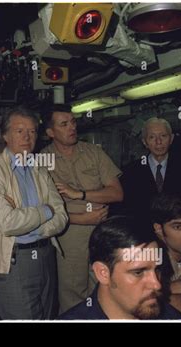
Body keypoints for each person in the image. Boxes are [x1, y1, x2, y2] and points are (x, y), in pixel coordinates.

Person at [0, 106, 68, 319]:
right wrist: (46, 210)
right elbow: (8, 223)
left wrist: (30, 223)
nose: (27, 137)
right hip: (13, 262)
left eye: (32, 131)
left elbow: (62, 217)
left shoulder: (40, 170)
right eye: (19, 131)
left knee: (48, 316)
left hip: (46, 256)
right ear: (6, 135)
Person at [41, 104, 123, 314]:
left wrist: (81, 194)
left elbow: (116, 193)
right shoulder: (41, 161)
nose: (72, 128)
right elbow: (42, 210)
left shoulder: (93, 152)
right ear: (50, 132)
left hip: (102, 232)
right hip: (69, 234)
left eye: (73, 122)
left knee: (105, 287)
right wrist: (82, 218)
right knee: (72, 295)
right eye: (64, 124)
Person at [59, 216, 181, 320]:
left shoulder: (170, 317)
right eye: (138, 272)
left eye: (157, 269)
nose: (157, 284)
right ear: (103, 273)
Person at [120, 117, 181, 234]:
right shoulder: (131, 172)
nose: (158, 142)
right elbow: (126, 210)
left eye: (163, 136)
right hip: (142, 236)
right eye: (152, 137)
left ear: (171, 139)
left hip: (177, 237)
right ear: (144, 142)